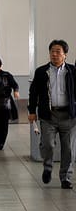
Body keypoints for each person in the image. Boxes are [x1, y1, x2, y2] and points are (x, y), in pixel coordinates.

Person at [27, 39, 76, 189]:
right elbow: (33, 92)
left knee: (68, 149)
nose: (54, 54)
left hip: (68, 116)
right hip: (48, 115)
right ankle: (48, 166)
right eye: (52, 51)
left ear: (65, 55)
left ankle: (65, 178)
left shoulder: (73, 71)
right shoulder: (41, 72)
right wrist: (31, 111)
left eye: (58, 52)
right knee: (47, 144)